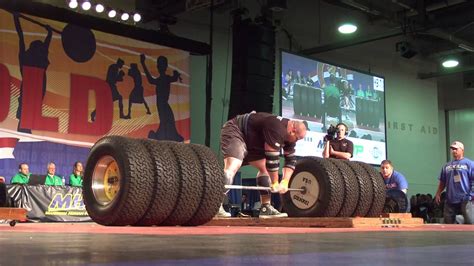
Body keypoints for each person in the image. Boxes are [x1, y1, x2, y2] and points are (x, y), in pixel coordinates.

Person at [218, 112, 307, 218]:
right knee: (233, 166)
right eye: (297, 138)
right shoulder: (276, 127)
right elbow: (272, 159)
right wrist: (274, 183)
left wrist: (285, 182)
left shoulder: (290, 137)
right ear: (292, 131)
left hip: (253, 143)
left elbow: (291, 160)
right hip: (237, 131)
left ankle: (265, 208)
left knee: (265, 170)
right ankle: (215, 205)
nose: (296, 141)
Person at [434, 141, 474, 224]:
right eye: (452, 149)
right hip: (450, 199)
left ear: (462, 150)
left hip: (466, 198)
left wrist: (471, 195)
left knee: (470, 222)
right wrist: (438, 193)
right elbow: (442, 181)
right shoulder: (447, 166)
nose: (453, 151)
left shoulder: (469, 164)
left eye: (456, 149)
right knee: (448, 223)